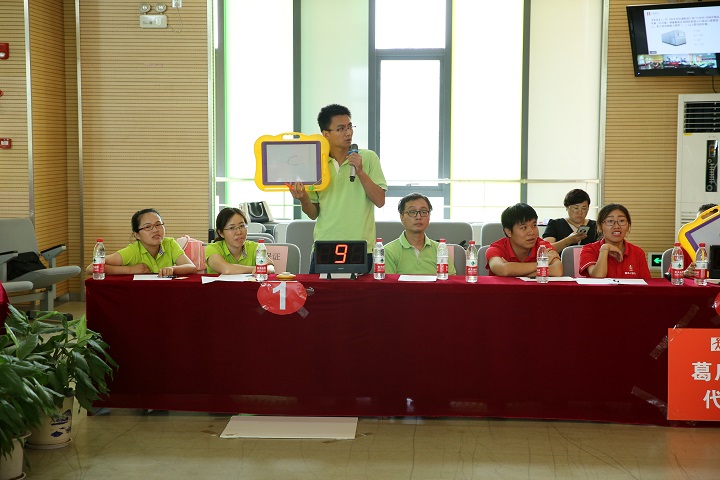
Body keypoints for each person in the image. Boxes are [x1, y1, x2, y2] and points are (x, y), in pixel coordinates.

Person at [289, 104, 387, 273]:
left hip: (361, 246)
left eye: (350, 127)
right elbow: (313, 214)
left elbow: (380, 201)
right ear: (325, 134)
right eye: (341, 129)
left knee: (357, 291)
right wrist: (303, 198)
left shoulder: (368, 158)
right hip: (325, 244)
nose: (348, 133)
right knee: (320, 291)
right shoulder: (315, 163)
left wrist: (360, 171)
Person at [85, 208, 196, 277]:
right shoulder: (133, 251)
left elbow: (191, 267)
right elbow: (91, 268)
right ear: (137, 235)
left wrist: (172, 269)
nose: (155, 230)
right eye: (148, 227)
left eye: (158, 224)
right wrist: (130, 270)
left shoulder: (170, 243)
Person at [384, 193, 457, 275]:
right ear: (402, 217)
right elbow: (388, 282)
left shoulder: (440, 249)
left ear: (429, 216)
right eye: (412, 212)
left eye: (423, 212)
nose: (418, 217)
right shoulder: (389, 251)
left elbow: (451, 280)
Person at [486, 203, 562, 277]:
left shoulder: (542, 247)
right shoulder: (496, 249)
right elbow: (503, 270)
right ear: (508, 232)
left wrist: (513, 271)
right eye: (523, 228)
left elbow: (557, 271)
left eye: (534, 225)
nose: (531, 232)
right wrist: (541, 264)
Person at [579, 204, 651, 279]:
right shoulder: (589, 249)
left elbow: (647, 283)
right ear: (600, 227)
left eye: (621, 221)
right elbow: (598, 277)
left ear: (628, 226)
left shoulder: (638, 252)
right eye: (610, 221)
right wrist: (605, 249)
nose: (616, 226)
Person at [205, 207, 274, 275]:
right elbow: (226, 269)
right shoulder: (212, 248)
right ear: (221, 233)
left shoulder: (255, 247)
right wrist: (257, 269)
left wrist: (268, 268)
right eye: (231, 228)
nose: (239, 232)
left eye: (241, 226)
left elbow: (270, 266)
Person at [667, 203, 718, 280]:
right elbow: (669, 276)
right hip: (695, 286)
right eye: (698, 223)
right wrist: (684, 273)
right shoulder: (685, 248)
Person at [542, 189, 599, 253]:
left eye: (584, 208)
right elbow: (546, 249)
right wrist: (568, 241)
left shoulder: (596, 226)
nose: (580, 212)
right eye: (576, 208)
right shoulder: (555, 224)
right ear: (567, 207)